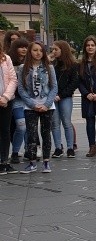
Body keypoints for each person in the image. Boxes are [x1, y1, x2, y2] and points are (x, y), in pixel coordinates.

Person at [17, 41, 57, 173]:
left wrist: (46, 104)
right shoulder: (23, 68)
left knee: (46, 134)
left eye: (40, 50)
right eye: (35, 50)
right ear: (30, 52)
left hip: (47, 106)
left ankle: (46, 162)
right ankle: (32, 162)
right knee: (31, 135)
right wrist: (33, 104)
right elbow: (21, 89)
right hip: (30, 106)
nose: (38, 52)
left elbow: (54, 87)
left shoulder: (49, 67)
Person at [50, 41, 79, 158]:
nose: (53, 52)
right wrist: (53, 95)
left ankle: (70, 148)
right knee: (55, 123)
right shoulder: (52, 64)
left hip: (65, 97)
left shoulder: (72, 65)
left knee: (66, 122)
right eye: (52, 49)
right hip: (53, 97)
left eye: (56, 49)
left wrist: (61, 95)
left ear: (63, 50)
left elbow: (74, 83)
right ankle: (58, 148)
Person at [7, 37, 28, 164]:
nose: (24, 49)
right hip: (16, 99)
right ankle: (15, 152)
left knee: (29, 127)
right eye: (21, 47)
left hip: (30, 99)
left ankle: (29, 150)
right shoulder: (10, 63)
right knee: (21, 126)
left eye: (26, 47)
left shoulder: (30, 62)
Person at [0, 39, 18, 174]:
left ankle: (4, 161)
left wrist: (5, 97)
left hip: (6, 100)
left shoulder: (6, 58)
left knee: (5, 131)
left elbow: (13, 79)